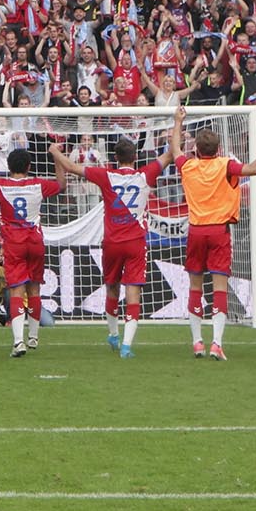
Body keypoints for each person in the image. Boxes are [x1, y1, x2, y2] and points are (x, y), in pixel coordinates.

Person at [51, 128, 180, 359]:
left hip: (111, 242)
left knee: (112, 286)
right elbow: (171, 153)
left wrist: (54, 151)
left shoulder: (105, 174)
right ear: (136, 157)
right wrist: (176, 125)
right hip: (135, 243)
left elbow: (70, 168)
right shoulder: (145, 174)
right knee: (133, 291)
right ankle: (127, 346)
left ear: (114, 159)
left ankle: (113, 333)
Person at [170, 106, 256, 360]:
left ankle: (197, 342)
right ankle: (216, 344)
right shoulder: (225, 165)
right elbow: (253, 170)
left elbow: (175, 149)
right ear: (218, 149)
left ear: (196, 149)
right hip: (219, 231)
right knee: (220, 287)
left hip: (196, 231)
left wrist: (178, 121)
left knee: (195, 286)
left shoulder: (188, 166)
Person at [0, 141, 61, 357]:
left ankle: (19, 342)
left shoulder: (0, 185)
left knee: (16, 290)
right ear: (29, 166)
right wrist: (56, 156)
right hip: (35, 241)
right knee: (34, 288)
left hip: (14, 243)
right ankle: (33, 337)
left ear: (8, 166)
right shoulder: (38, 184)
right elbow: (61, 184)